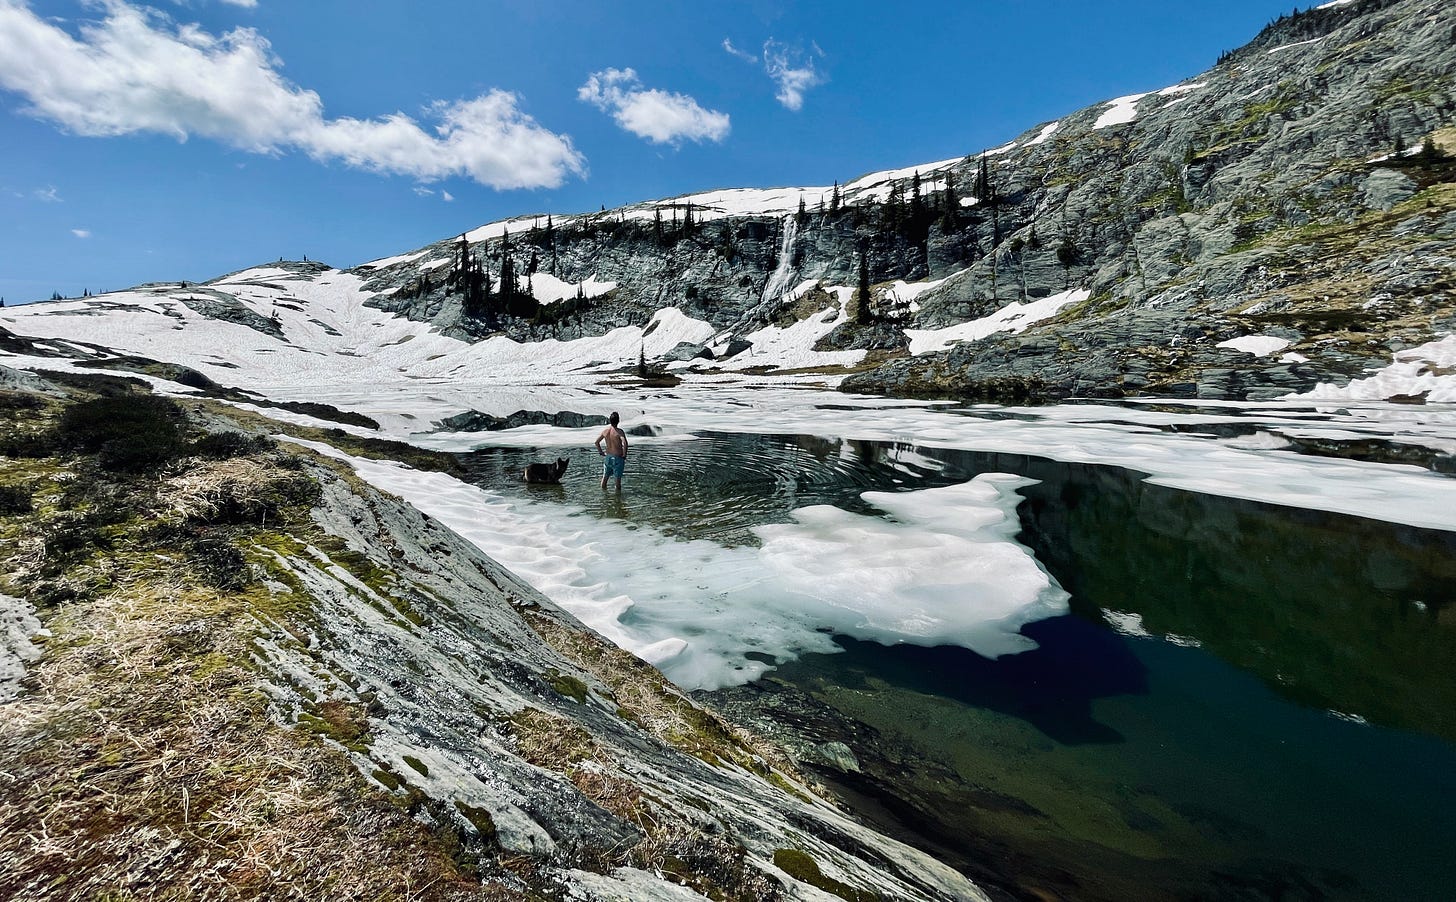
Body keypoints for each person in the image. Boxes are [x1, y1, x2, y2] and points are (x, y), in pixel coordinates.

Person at [594, 411, 628, 490]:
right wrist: (624, 455)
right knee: (617, 482)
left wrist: (601, 452)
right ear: (618, 421)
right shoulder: (619, 432)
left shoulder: (606, 431)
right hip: (617, 458)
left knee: (605, 478)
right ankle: (617, 497)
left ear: (610, 421)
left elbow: (596, 442)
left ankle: (603, 495)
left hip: (608, 457)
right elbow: (625, 443)